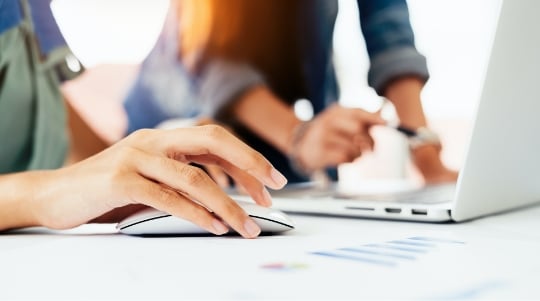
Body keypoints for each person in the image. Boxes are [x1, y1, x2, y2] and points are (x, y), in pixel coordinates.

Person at [0, 0, 288, 239]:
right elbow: (61, 186)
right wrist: (41, 197)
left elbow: (85, 165)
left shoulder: (32, 12)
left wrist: (162, 154)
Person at [123, 0, 458, 185]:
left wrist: (427, 157)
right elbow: (213, 58)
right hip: (179, 129)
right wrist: (299, 136)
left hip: (285, 142)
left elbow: (389, 29)